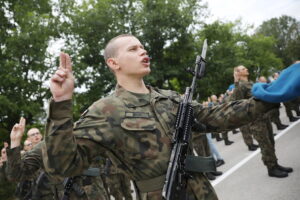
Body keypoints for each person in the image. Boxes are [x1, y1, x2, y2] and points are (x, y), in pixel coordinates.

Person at [43, 34, 282, 200]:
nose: (143, 50)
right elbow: (62, 165)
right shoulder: (105, 110)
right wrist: (61, 103)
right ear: (113, 62)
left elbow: (218, 116)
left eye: (142, 46)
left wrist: (272, 96)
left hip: (203, 193)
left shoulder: (170, 98)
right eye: (133, 49)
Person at [6, 117, 109, 200]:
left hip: (96, 194)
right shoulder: (43, 147)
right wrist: (15, 141)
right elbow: (15, 175)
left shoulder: (83, 136)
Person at [232, 65, 293, 178]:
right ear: (238, 73)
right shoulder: (240, 86)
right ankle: (271, 168)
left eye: (245, 68)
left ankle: (275, 164)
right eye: (243, 69)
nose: (246, 69)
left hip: (264, 117)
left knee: (270, 142)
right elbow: (236, 102)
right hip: (255, 121)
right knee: (265, 145)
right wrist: (236, 82)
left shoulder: (251, 83)